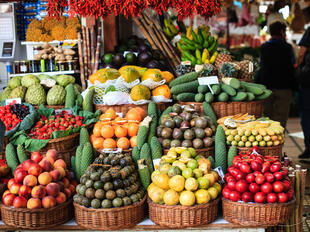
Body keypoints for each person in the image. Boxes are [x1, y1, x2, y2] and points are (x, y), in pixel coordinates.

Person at [257, 21, 296, 129]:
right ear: (282, 31)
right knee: (281, 119)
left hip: (267, 86)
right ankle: (278, 141)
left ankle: (269, 142)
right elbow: (293, 64)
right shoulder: (288, 47)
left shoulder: (264, 47)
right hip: (284, 86)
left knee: (266, 117)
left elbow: (261, 64)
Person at [294, 7, 310, 159]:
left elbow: (301, 52)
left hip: (308, 81)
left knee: (307, 113)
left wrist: (298, 65)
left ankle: (309, 147)